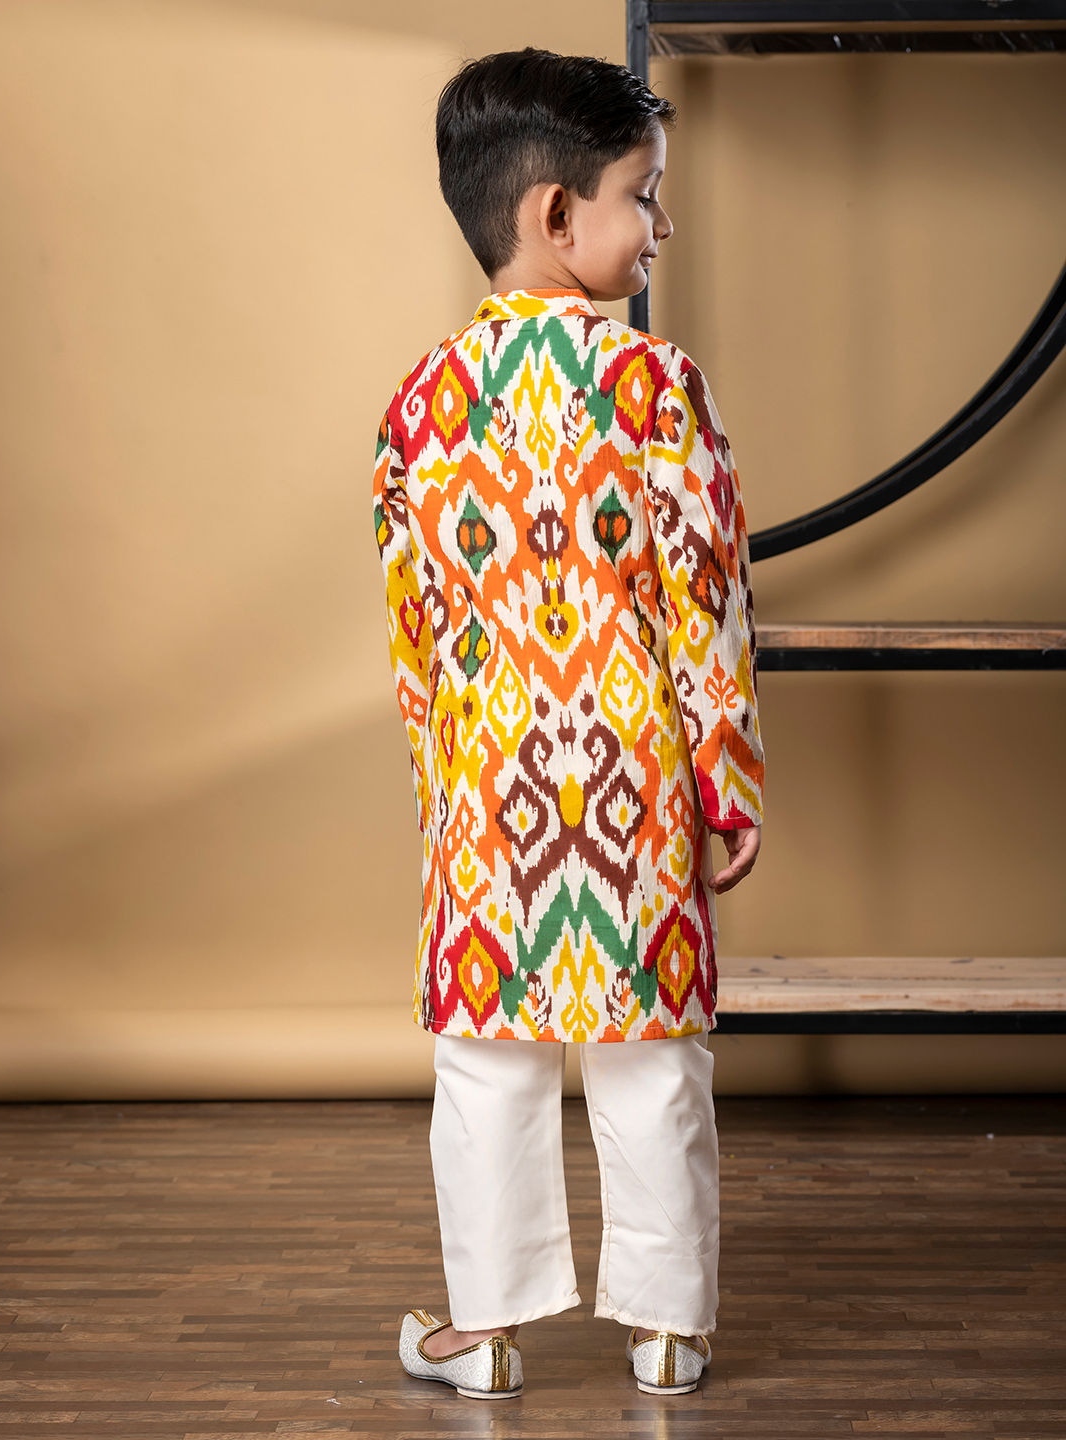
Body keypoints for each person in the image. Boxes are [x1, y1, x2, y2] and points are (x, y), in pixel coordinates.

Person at [373, 46, 765, 1401]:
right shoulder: (657, 386)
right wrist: (727, 781)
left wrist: (440, 792)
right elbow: (706, 601)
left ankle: (484, 1335)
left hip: (491, 788)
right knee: (652, 1053)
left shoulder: (419, 405)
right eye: (643, 196)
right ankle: (670, 1329)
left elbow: (415, 628)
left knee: (486, 1060)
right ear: (556, 214)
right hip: (637, 781)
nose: (662, 224)